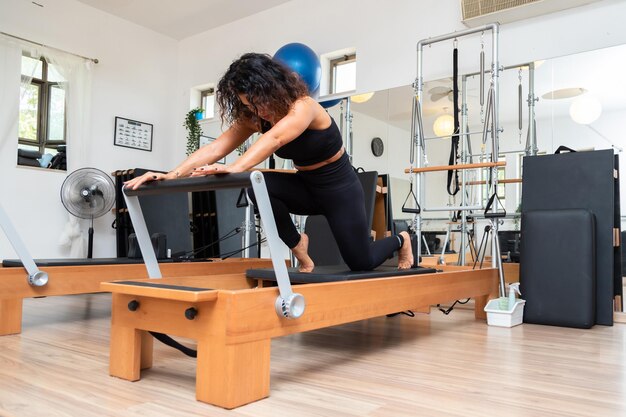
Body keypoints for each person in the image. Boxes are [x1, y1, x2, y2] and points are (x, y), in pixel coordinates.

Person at [125, 53, 413, 272]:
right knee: (256, 186)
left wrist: (236, 167)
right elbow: (215, 147)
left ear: (272, 87)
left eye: (258, 100)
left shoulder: (305, 107)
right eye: (248, 104)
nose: (256, 109)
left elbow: (274, 140)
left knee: (360, 262)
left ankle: (401, 240)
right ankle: (298, 244)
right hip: (306, 187)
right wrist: (170, 175)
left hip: (340, 189)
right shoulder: (255, 118)